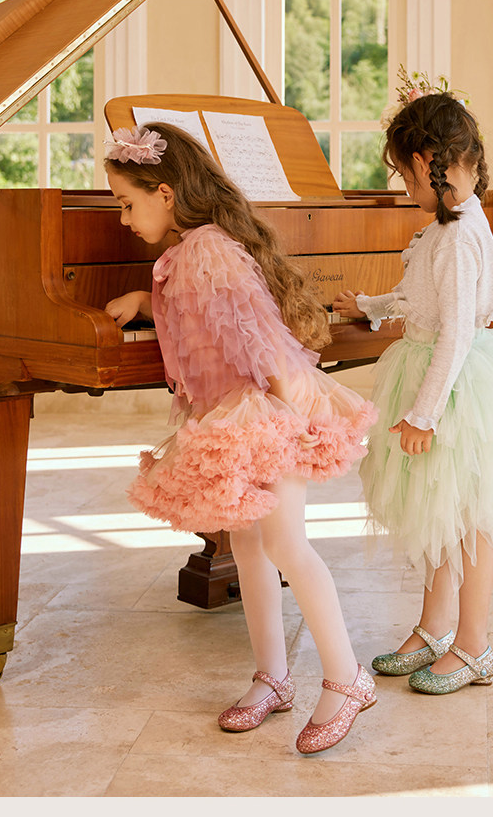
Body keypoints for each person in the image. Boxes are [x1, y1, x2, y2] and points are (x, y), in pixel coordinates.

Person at [103, 123, 377, 753]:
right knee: (249, 545)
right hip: (235, 415)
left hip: (265, 414)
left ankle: (347, 678)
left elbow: (259, 337)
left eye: (126, 203)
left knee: (285, 544)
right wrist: (145, 299)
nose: (122, 219)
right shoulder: (191, 251)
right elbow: (202, 318)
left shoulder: (206, 250)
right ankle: (273, 677)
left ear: (165, 193)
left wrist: (293, 417)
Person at [333, 91, 493, 694]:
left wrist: (423, 415)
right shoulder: (452, 224)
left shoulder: (454, 238)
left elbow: (454, 330)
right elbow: (419, 295)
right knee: (438, 507)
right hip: (436, 371)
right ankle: (434, 627)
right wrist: (370, 305)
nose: (405, 189)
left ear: (428, 163)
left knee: (469, 515)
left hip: (453, 388)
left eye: (404, 175)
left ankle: (474, 645)